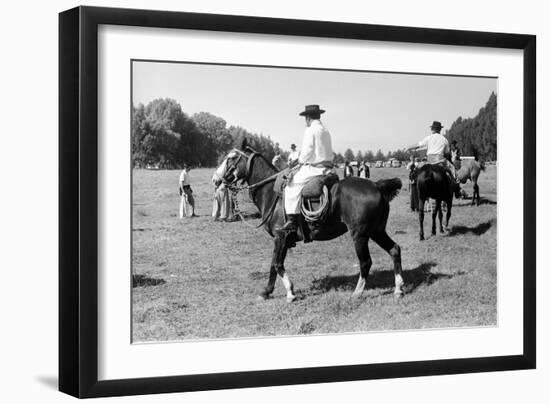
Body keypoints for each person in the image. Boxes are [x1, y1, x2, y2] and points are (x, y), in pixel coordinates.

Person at [281, 105, 334, 234]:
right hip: (328, 168)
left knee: (290, 186)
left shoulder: (310, 130)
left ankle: (292, 220)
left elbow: (307, 152)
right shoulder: (326, 130)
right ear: (318, 116)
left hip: (315, 169)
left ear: (308, 117)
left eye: (305, 118)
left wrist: (298, 161)